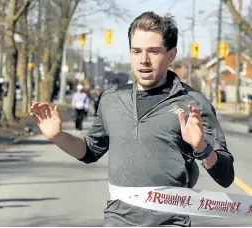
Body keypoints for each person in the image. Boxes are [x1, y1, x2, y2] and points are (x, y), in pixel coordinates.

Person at [30, 11, 235, 226]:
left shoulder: (193, 103)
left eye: (154, 51)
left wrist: (202, 147)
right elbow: (90, 151)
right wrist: (58, 136)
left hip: (171, 223)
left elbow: (226, 176)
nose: (144, 60)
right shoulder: (111, 99)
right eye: (136, 51)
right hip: (117, 221)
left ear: (171, 55)